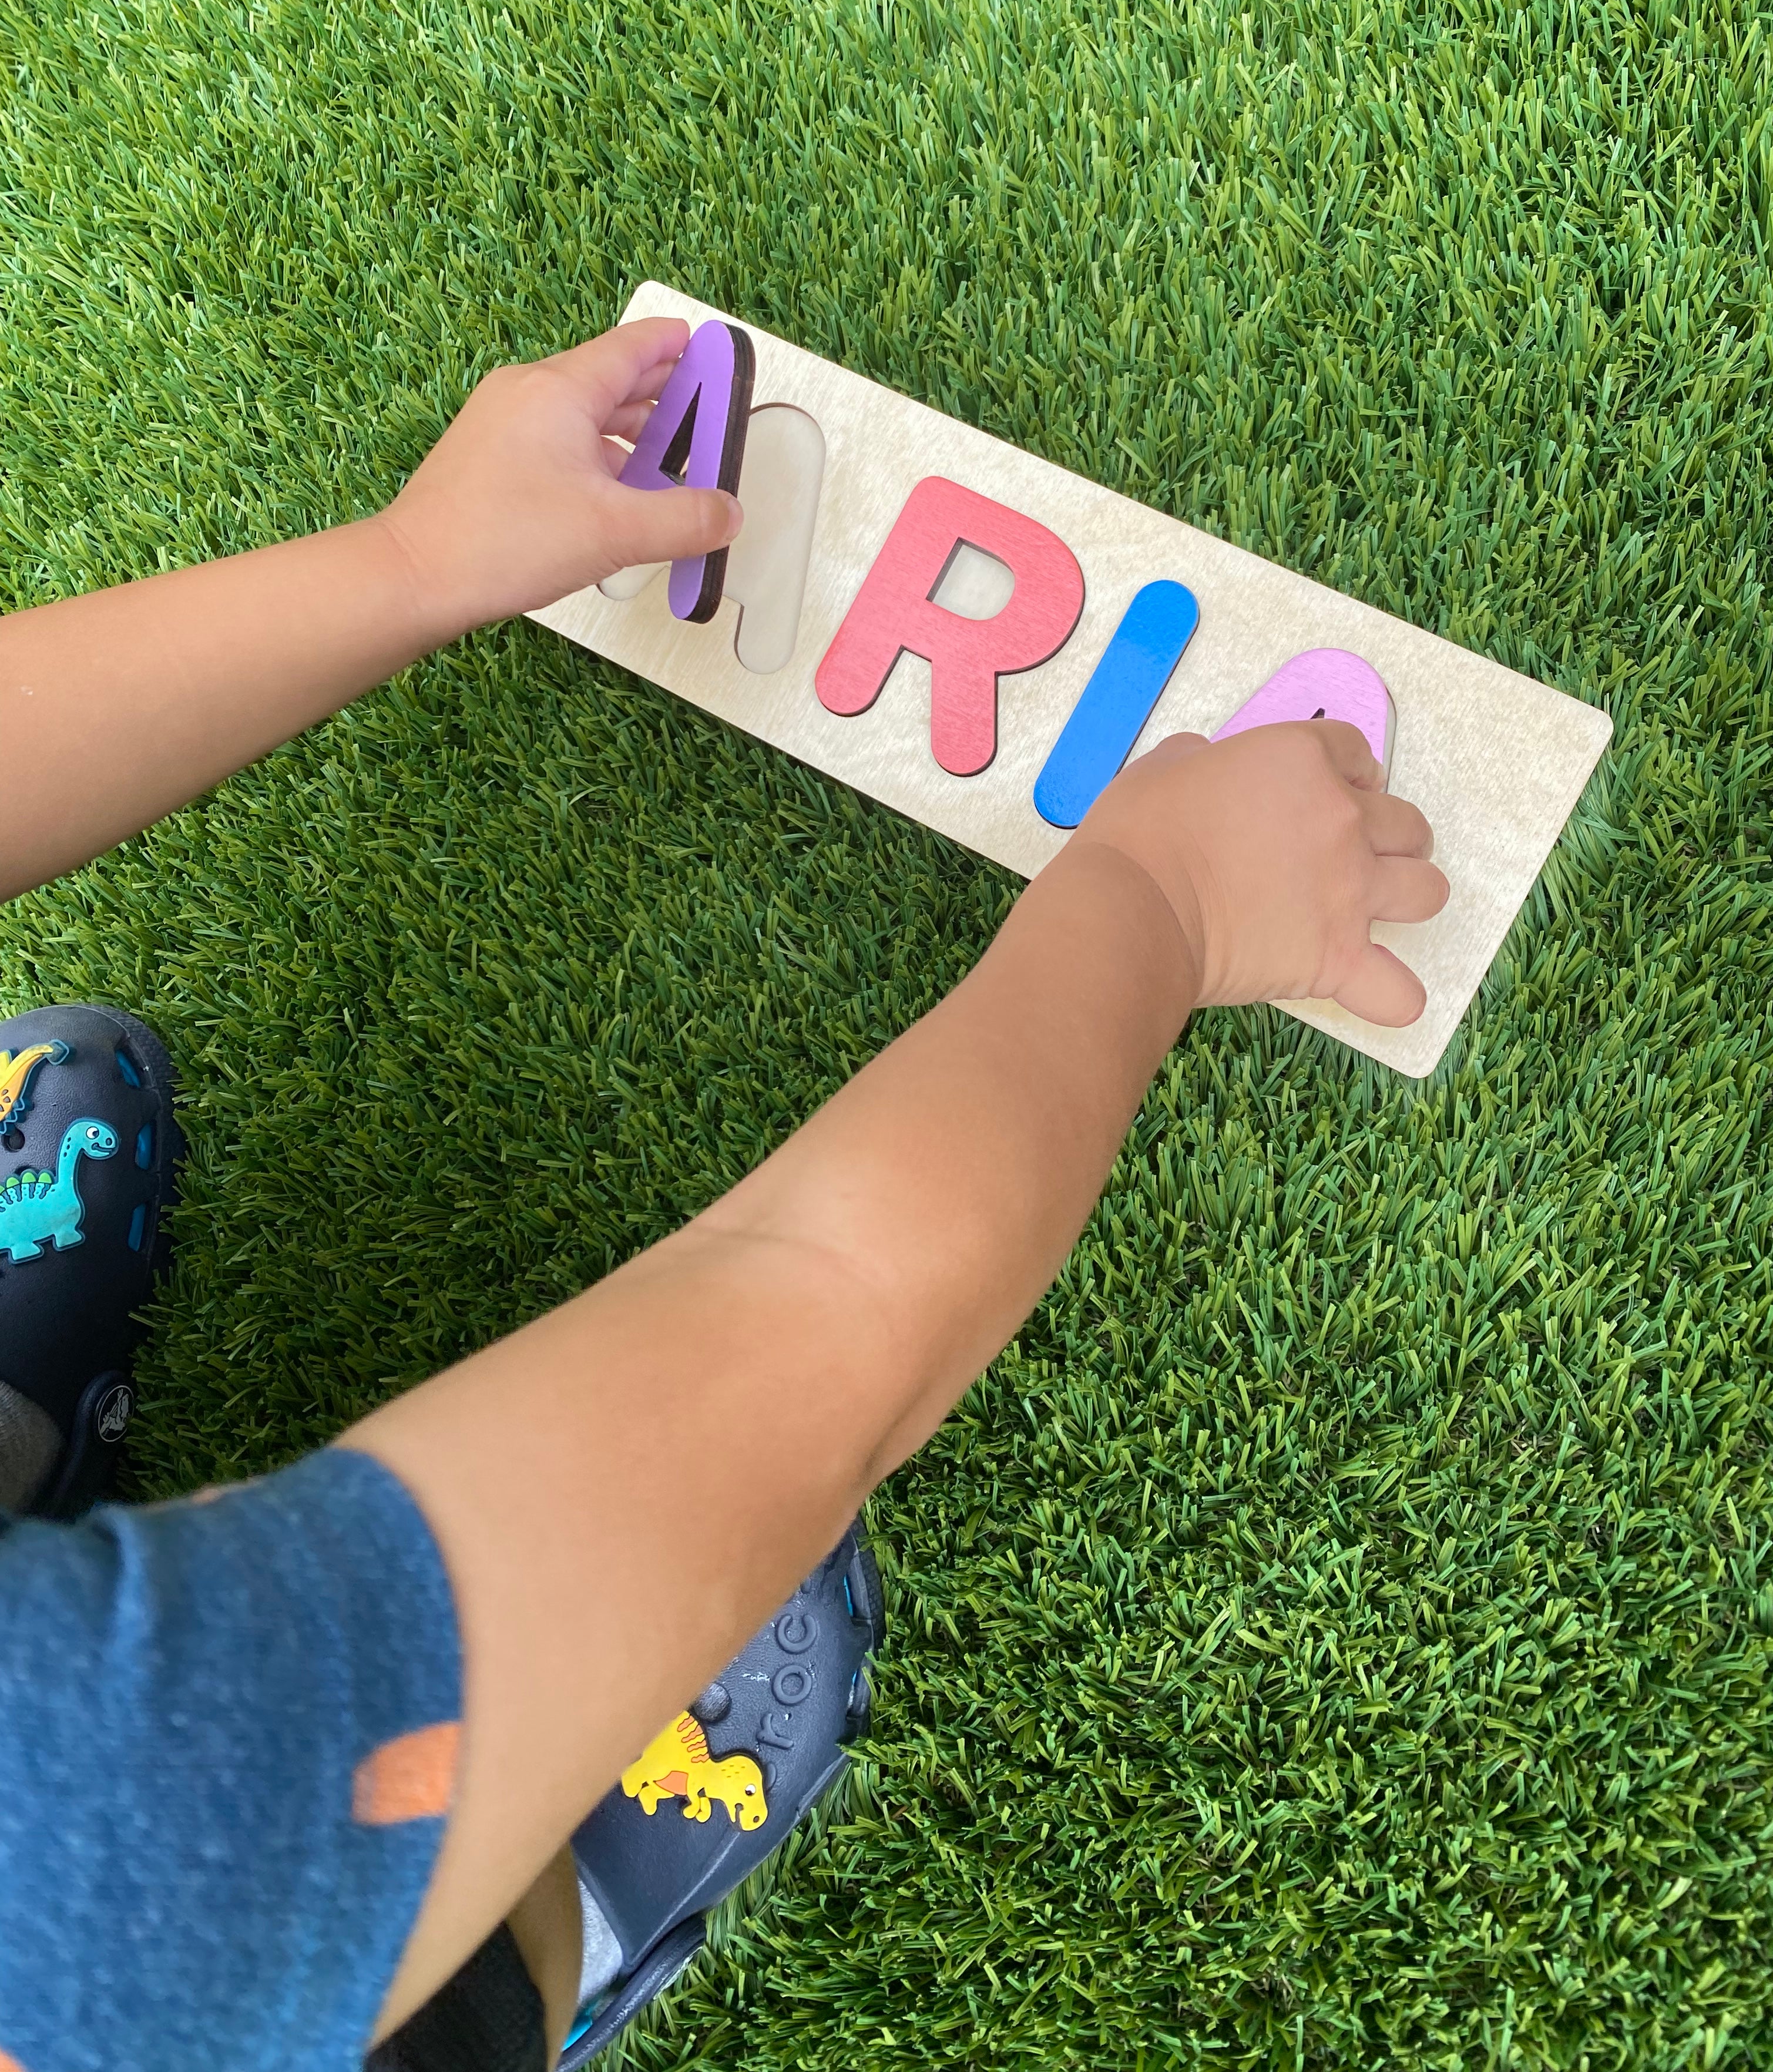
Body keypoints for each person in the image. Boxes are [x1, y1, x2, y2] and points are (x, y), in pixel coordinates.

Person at [0, 318, 1448, 2071]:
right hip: (166, 1947)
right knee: (414, 1910)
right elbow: (807, 1324)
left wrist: (408, 564)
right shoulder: (84, 1854)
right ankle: (560, 1926)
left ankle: (21, 1438)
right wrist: (1164, 898)